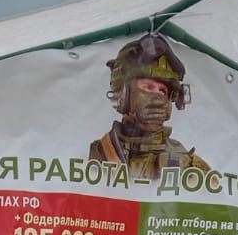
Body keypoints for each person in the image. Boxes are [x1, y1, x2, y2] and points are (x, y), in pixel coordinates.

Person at [88, 34, 210, 182]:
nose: (157, 97)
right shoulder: (96, 155)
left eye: (162, 91)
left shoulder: (187, 165)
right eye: (147, 87)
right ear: (123, 95)